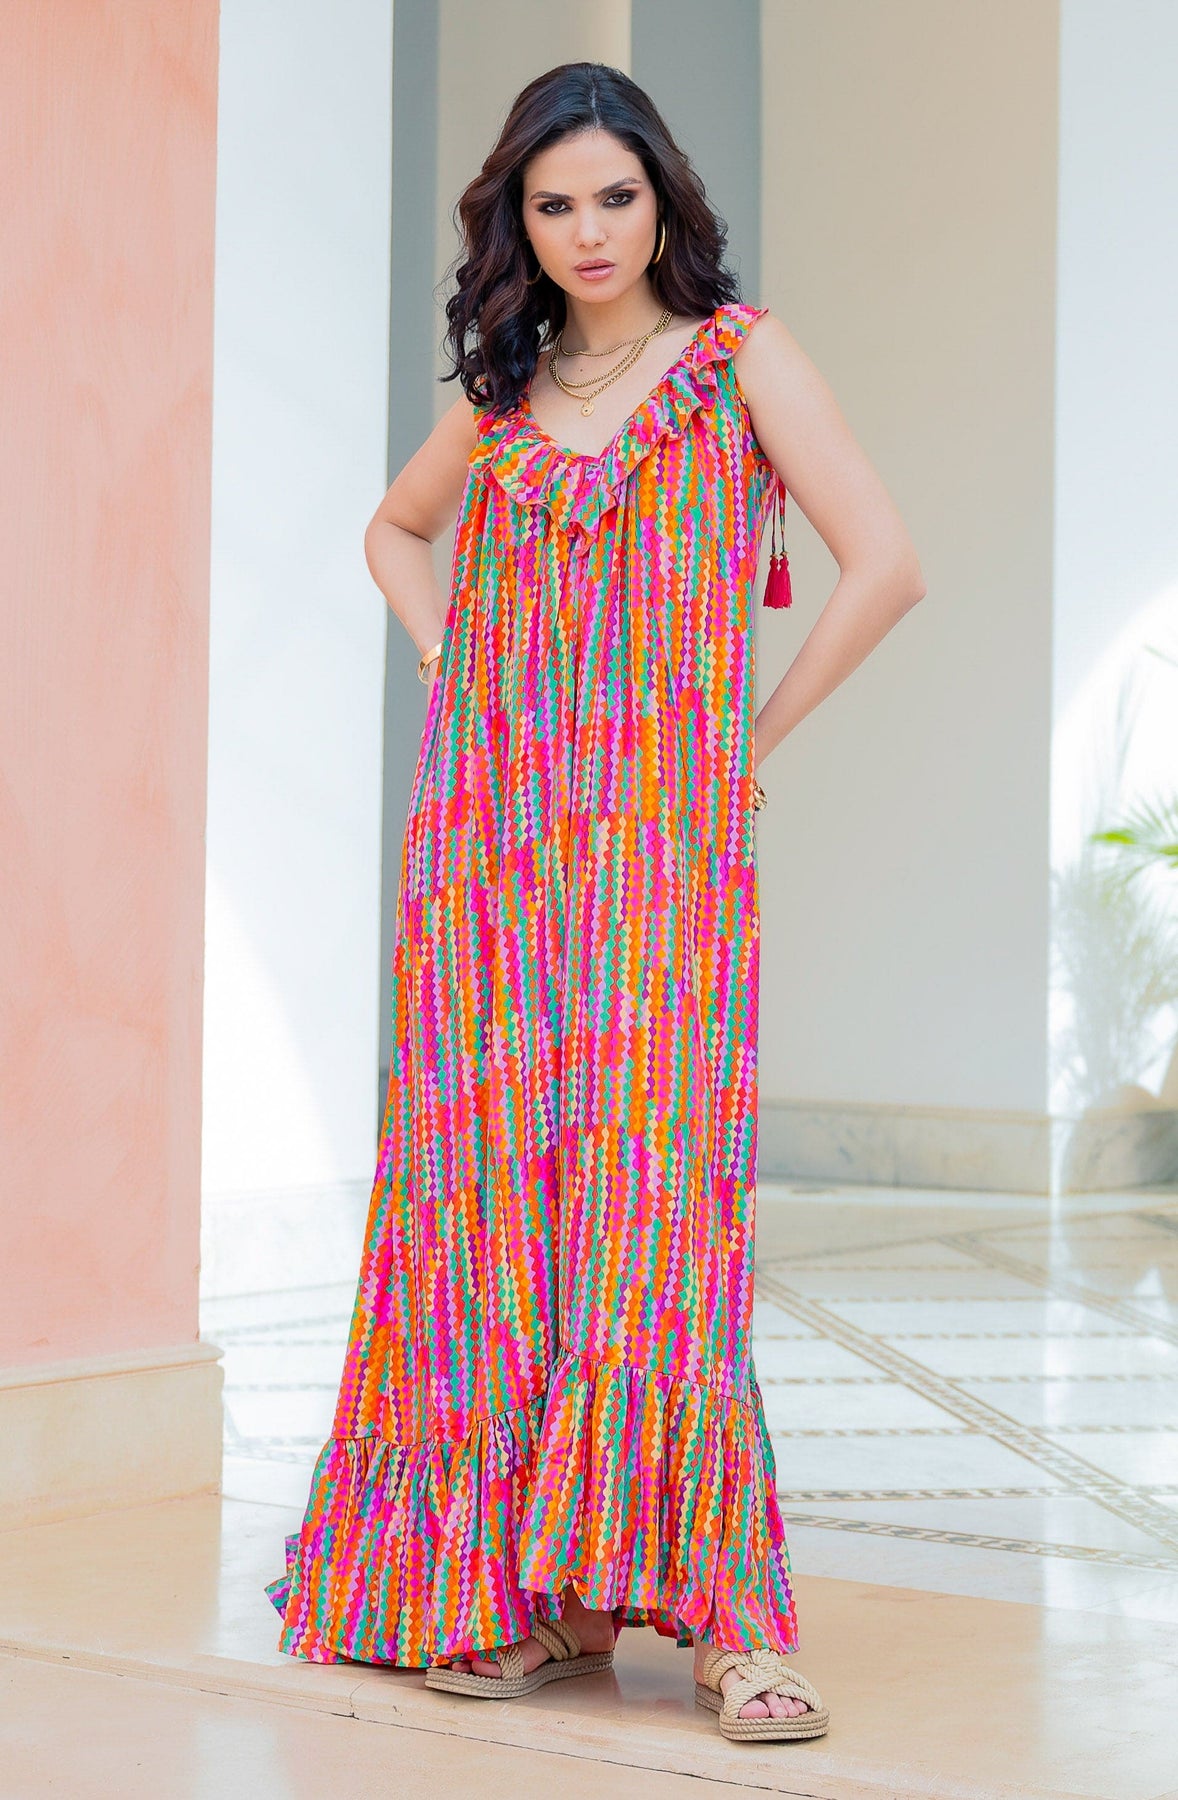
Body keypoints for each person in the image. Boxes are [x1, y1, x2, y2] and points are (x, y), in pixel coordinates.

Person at [266, 61, 925, 1746]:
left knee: (653, 1216)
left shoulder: (737, 357)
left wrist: (744, 742)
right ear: (518, 220)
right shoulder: (503, 395)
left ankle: (724, 1622)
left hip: (660, 862)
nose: (585, 232)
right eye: (551, 204)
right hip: (488, 856)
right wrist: (461, 671)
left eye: (611, 197)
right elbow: (394, 533)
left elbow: (885, 562)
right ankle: (543, 1597)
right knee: (494, 1211)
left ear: (660, 198)